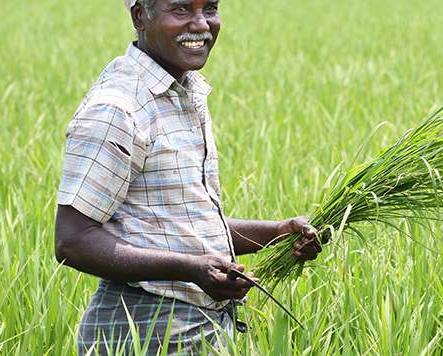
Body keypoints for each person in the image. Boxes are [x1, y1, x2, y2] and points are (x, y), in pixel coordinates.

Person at [53, 0, 322, 354]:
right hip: (143, 330)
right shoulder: (117, 108)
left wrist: (275, 233)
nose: (200, 24)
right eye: (180, 9)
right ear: (140, 17)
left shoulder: (185, 92)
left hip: (195, 331)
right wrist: (191, 270)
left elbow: (180, 226)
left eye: (209, 8)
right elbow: (73, 241)